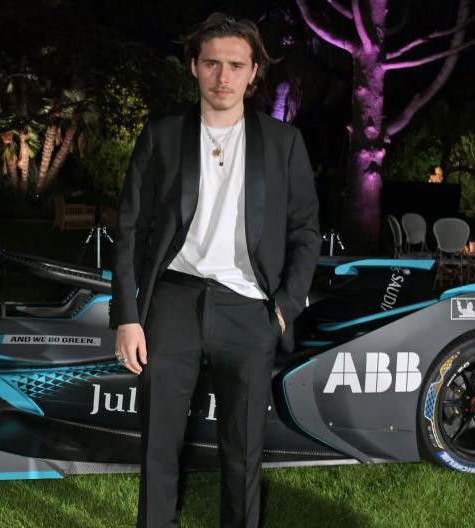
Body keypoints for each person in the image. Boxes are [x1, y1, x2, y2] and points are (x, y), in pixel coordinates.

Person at [109, 12, 321, 528]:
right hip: (173, 303)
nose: (223, 77)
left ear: (254, 73)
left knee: (243, 452)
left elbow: (306, 232)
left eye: (235, 65)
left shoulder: (283, 142)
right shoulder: (162, 136)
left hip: (250, 310)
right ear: (193, 68)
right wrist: (129, 316)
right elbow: (130, 229)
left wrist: (284, 308)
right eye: (211, 64)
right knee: (158, 445)